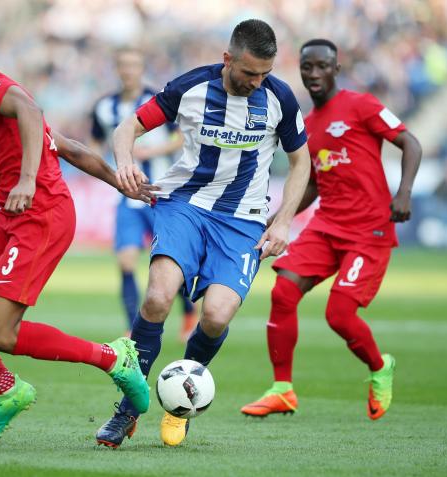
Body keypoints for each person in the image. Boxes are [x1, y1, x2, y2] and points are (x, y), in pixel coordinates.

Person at [0, 37, 152, 447]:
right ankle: (5, 387)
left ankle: (114, 357)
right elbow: (71, 149)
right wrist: (120, 183)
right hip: (11, 216)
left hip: (41, 216)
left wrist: (26, 179)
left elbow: (29, 107)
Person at [95, 19, 311, 448]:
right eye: (249, 73)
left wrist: (284, 219)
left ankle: (181, 403)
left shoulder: (279, 97)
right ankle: (127, 409)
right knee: (157, 298)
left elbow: (301, 162)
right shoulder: (191, 87)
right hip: (185, 205)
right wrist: (124, 165)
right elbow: (128, 129)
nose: (256, 82)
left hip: (244, 219)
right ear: (228, 58)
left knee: (215, 316)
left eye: (264, 74)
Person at [240, 39, 422, 420]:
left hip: (368, 230)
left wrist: (404, 192)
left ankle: (379, 367)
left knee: (339, 315)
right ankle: (282, 389)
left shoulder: (361, 106)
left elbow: (410, 142)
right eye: (308, 67)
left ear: (336, 69)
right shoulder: (308, 126)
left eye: (322, 66)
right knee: (284, 291)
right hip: (327, 225)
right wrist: (279, 219)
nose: (314, 74)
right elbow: (312, 184)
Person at [90, 47, 198, 340]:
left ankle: (189, 313)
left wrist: (152, 150)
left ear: (142, 69)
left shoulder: (161, 100)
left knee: (168, 263)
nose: (128, 71)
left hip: (161, 194)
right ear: (117, 69)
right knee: (125, 260)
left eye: (134, 65)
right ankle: (130, 325)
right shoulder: (104, 107)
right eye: (123, 65)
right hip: (126, 197)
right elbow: (96, 142)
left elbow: (182, 137)